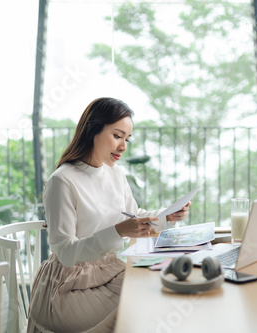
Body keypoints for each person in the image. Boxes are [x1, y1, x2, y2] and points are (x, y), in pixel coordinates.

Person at [27, 97, 190, 333]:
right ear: (93, 130)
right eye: (117, 136)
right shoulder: (62, 181)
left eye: (127, 139)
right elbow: (65, 252)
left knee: (158, 288)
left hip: (106, 273)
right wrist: (118, 231)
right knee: (143, 304)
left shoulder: (115, 173)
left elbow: (133, 214)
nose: (123, 147)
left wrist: (167, 216)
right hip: (66, 288)